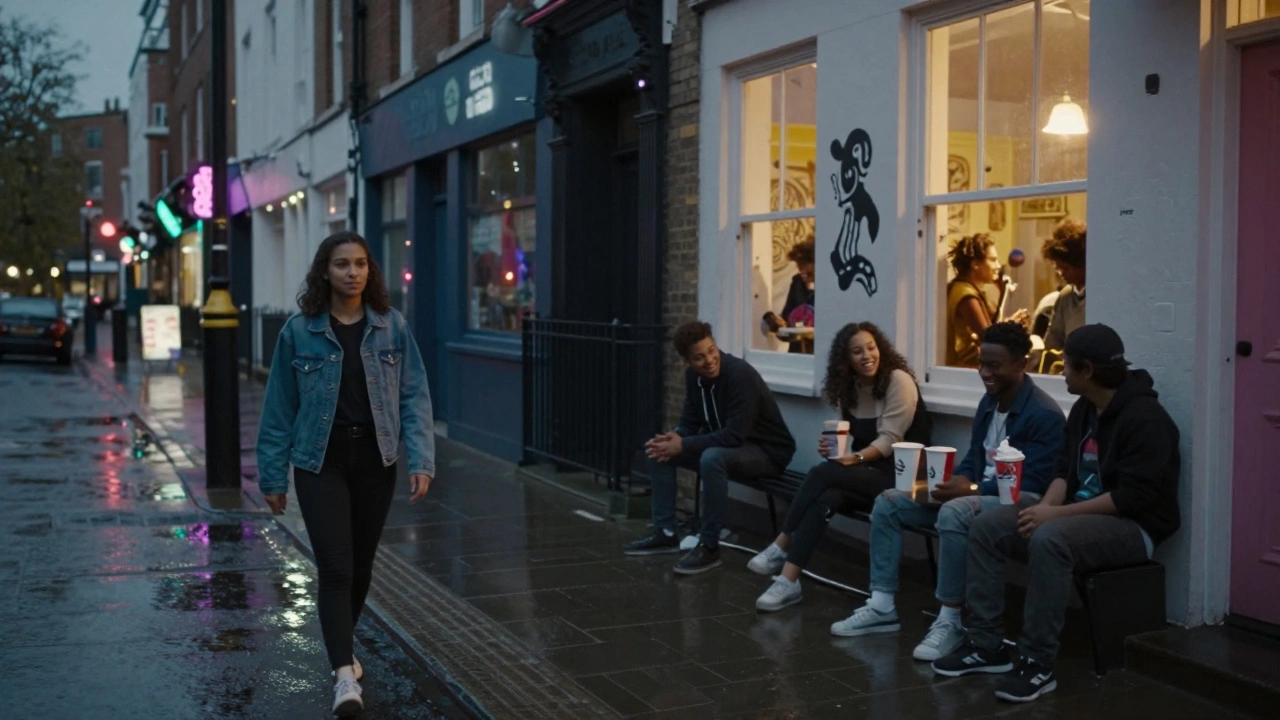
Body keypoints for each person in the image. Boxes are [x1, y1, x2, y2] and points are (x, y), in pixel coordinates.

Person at [933, 324, 1181, 704]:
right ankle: (986, 646)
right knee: (987, 525)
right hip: (1074, 514)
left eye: (1066, 365)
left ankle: (1037, 662)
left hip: (1133, 527)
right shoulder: (1084, 410)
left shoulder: (1147, 419)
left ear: (1087, 370)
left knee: (1050, 539)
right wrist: (1045, 508)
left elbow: (1132, 498)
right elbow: (1064, 470)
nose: (1060, 372)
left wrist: (1054, 518)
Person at [256, 232, 436, 718]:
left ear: (369, 270)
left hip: (376, 461)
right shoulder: (300, 331)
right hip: (320, 463)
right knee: (336, 567)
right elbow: (278, 409)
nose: (352, 272)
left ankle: (343, 647)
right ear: (325, 271)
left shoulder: (391, 327)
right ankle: (342, 676)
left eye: (360, 263)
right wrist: (272, 477)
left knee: (360, 567)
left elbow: (414, 396)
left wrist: (422, 459)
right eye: (341, 264)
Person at [833, 322, 1064, 654]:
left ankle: (950, 620)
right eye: (981, 364)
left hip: (1019, 500)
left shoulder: (1043, 414)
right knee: (889, 502)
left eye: (994, 366)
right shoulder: (990, 402)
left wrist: (972, 488)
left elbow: (1034, 483)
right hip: (978, 494)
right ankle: (881, 606)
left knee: (954, 511)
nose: (984, 373)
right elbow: (974, 459)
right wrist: (946, 484)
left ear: (1020, 364)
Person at [748, 322, 931, 612]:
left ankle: (781, 543)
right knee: (827, 496)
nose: (867, 356)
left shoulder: (898, 381)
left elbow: (889, 441)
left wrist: (853, 460)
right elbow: (852, 441)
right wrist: (833, 449)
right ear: (846, 360)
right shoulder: (850, 390)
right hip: (869, 476)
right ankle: (788, 580)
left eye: (871, 348)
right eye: (857, 351)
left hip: (904, 477)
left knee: (822, 473)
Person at [623, 321, 796, 575]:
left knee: (711, 458)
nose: (709, 360)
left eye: (711, 351)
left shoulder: (740, 375)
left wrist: (683, 444)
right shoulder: (693, 378)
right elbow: (689, 423)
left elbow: (734, 435)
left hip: (768, 452)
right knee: (659, 451)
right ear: (687, 361)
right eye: (699, 357)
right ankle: (665, 532)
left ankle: (709, 545)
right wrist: (674, 437)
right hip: (732, 449)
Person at [946, 233, 1029, 367]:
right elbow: (989, 339)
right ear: (975, 264)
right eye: (993, 260)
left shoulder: (961, 288)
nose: (998, 266)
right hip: (966, 370)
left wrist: (1008, 324)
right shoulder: (966, 295)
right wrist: (1011, 325)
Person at [1039, 220, 1087, 353]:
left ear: (1082, 264)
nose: (1061, 274)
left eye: (1066, 268)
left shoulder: (1099, 294)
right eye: (1057, 268)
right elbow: (1053, 342)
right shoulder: (1065, 296)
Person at [764, 237, 817, 354]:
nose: (801, 271)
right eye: (799, 266)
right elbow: (787, 320)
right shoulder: (797, 284)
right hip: (797, 355)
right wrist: (778, 324)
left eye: (805, 265)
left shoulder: (830, 290)